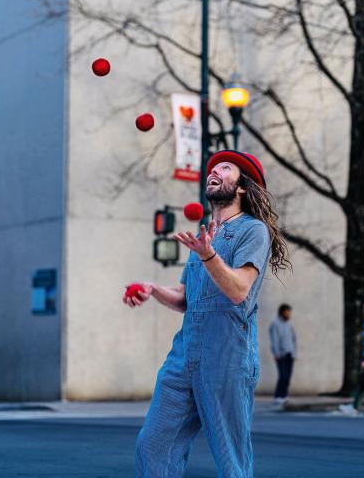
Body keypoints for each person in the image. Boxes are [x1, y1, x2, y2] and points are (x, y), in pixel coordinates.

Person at [123, 150, 291, 477]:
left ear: (242, 186)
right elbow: (186, 299)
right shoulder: (206, 234)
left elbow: (238, 290)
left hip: (227, 358)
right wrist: (153, 289)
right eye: (212, 168)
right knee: (153, 446)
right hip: (184, 357)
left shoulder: (252, 231)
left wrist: (209, 256)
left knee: (231, 461)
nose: (214, 171)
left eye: (224, 168)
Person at [269, 303, 296, 408]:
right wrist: (276, 353)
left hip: (290, 354)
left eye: (289, 312)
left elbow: (293, 340)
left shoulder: (289, 325)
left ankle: (284, 395)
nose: (289, 314)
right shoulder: (275, 324)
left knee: (288, 376)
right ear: (282, 312)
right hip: (281, 354)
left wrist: (294, 353)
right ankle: (278, 396)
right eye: (287, 312)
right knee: (283, 376)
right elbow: (274, 340)